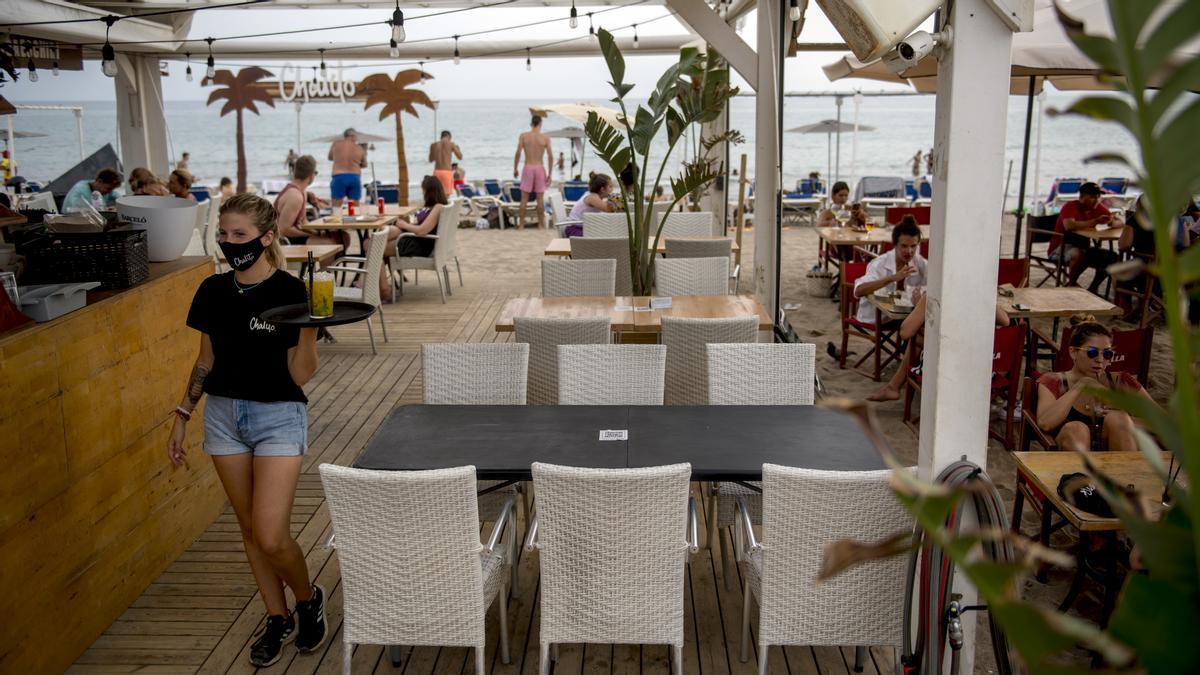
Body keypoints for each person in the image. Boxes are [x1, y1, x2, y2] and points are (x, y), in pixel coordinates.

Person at [167, 193, 327, 667]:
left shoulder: (291, 291)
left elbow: (299, 375)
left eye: (240, 235)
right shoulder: (212, 291)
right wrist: (181, 415)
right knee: (250, 532)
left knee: (272, 534)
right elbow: (205, 361)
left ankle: (306, 598)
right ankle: (276, 617)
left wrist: (311, 330)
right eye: (224, 234)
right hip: (223, 417)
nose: (230, 242)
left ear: (267, 238)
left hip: (278, 414)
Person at [866, 286, 1011, 401]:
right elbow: (1006, 321)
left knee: (917, 337)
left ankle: (893, 387)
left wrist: (920, 305)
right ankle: (893, 387)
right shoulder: (980, 293)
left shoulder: (936, 294)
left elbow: (905, 332)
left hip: (947, 372)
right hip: (980, 371)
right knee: (923, 338)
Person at [1035, 321, 1149, 452]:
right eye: (1092, 352)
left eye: (1107, 354)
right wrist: (1082, 385)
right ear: (1073, 352)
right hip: (1072, 460)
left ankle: (1123, 471)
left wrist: (1125, 421)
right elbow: (1045, 423)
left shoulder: (1121, 381)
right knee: (1077, 429)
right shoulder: (1053, 381)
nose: (1100, 360)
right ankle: (1082, 473)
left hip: (1115, 457)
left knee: (1118, 418)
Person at [1050, 181, 1124, 292]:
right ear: (1082, 196)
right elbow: (1069, 225)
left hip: (1084, 248)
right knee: (1078, 253)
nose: (1097, 200)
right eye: (1093, 197)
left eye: (1098, 196)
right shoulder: (1070, 206)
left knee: (1112, 257)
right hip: (1060, 248)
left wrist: (1111, 222)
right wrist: (1095, 221)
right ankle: (1072, 284)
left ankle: (1093, 289)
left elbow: (1121, 222)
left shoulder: (1097, 207)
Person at [853, 218, 928, 325]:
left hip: (903, 318)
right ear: (895, 245)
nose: (909, 251)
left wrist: (922, 294)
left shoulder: (919, 263)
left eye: (913, 246)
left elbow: (937, 284)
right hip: (875, 319)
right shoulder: (880, 263)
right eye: (904, 246)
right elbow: (858, 291)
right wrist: (892, 278)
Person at [273, 155, 344, 249]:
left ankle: (334, 263)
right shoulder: (295, 196)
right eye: (315, 173)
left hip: (293, 237)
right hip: (285, 242)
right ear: (311, 175)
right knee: (328, 244)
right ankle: (327, 264)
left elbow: (303, 221)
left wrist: (316, 232)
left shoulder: (302, 192)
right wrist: (310, 235)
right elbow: (284, 229)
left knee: (342, 237)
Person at [513, 115, 553, 229]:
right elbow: (550, 156)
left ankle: (521, 225)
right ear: (540, 124)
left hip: (528, 168)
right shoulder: (545, 138)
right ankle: (541, 225)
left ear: (531, 124)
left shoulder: (524, 136)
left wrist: (515, 168)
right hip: (539, 168)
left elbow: (518, 153)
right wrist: (550, 173)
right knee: (540, 199)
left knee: (524, 198)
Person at [395, 175, 447, 257]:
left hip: (420, 246)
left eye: (423, 190)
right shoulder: (431, 207)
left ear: (429, 192)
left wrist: (404, 225)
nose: (423, 193)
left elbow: (421, 231)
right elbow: (416, 222)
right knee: (383, 239)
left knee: (377, 248)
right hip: (415, 239)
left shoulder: (438, 207)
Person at [327, 128, 366, 211]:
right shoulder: (359, 147)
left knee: (336, 209)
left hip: (339, 176)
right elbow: (364, 164)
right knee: (354, 209)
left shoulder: (336, 144)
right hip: (354, 177)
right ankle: (353, 223)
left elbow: (330, 157)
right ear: (353, 136)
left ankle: (336, 222)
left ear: (345, 136)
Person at [429, 131, 463, 195]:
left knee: (437, 194)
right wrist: (458, 149)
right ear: (449, 137)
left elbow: (431, 159)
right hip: (447, 172)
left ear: (441, 137)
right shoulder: (451, 144)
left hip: (437, 172)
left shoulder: (434, 145)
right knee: (447, 195)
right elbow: (460, 157)